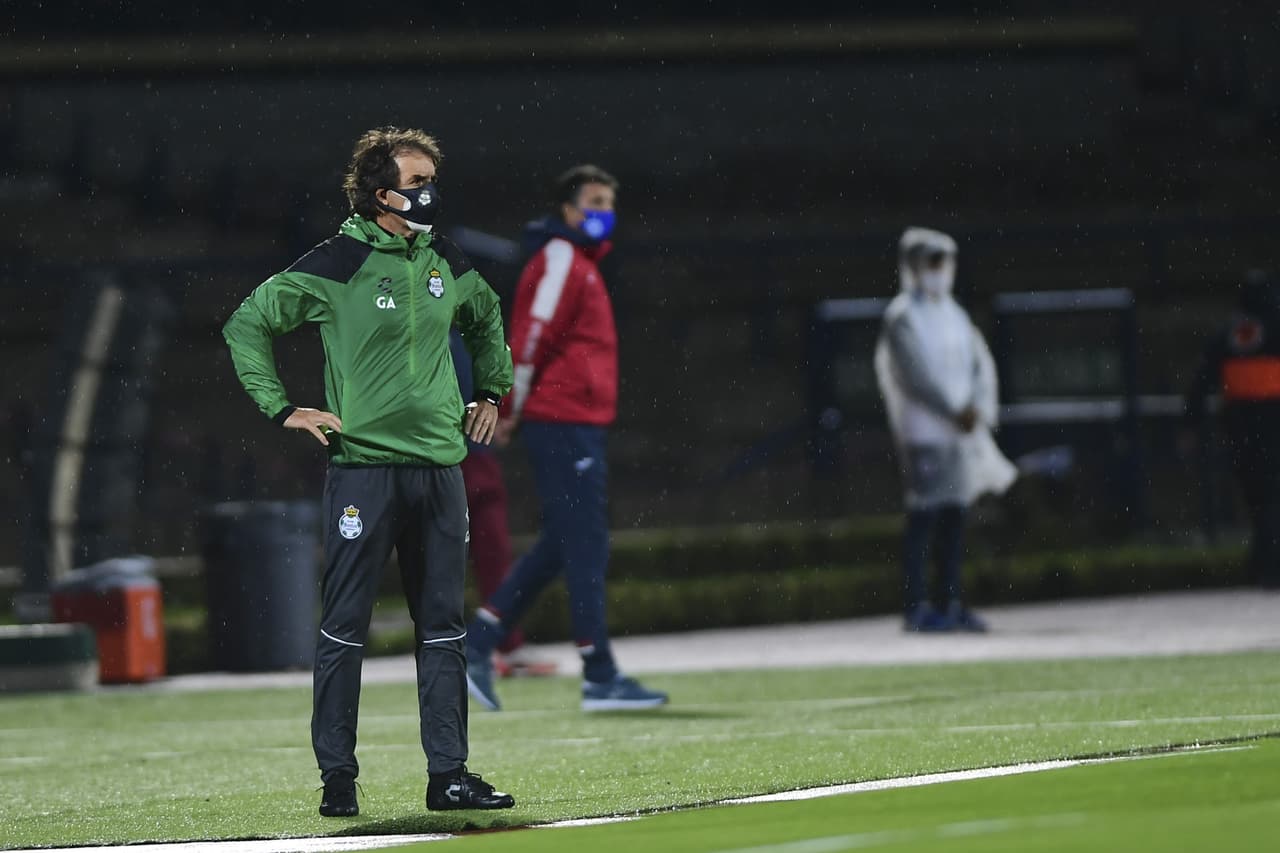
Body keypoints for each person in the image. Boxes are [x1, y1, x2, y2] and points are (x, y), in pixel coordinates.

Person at [222, 126, 516, 817]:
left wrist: (491, 392)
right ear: (382, 193)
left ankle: (449, 774)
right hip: (364, 472)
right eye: (417, 183)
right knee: (344, 626)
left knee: (443, 627)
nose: (429, 193)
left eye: (430, 180)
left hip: (440, 470)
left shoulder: (443, 256)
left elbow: (485, 316)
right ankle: (337, 779)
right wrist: (282, 408)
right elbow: (247, 324)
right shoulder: (338, 261)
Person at [463, 165, 668, 712]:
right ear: (568, 210)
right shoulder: (560, 260)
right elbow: (528, 339)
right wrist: (506, 408)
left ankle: (479, 643)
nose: (605, 212)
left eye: (610, 201)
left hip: (574, 421)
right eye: (595, 201)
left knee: (563, 542)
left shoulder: (575, 262)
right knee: (585, 544)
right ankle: (598, 673)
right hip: (562, 421)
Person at [874, 227, 1017, 633]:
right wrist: (955, 410)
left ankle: (949, 601)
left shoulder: (953, 313)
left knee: (955, 519)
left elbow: (977, 364)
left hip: (958, 432)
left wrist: (976, 408)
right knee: (924, 519)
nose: (939, 273)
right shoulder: (904, 316)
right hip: (925, 433)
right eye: (931, 264)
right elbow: (915, 375)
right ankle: (917, 606)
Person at [448, 329, 556, 677]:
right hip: (442, 459)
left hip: (476, 455)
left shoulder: (462, 330)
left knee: (493, 550)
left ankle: (504, 644)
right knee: (441, 557)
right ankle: (444, 647)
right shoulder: (420, 325)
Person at [1187, 270, 1280, 589]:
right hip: (1274, 423)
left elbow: (1202, 380)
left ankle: (1261, 565)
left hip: (1241, 427)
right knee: (1272, 498)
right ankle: (1269, 569)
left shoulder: (1229, 333)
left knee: (1259, 500)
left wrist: (1191, 421)